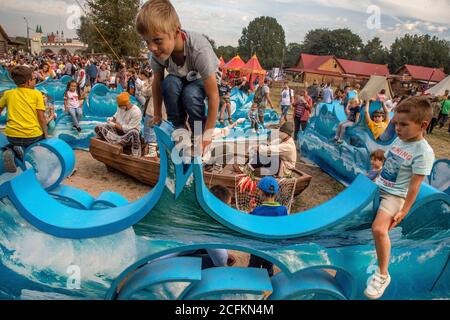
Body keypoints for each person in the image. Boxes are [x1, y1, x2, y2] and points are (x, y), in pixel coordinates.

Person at [364, 96, 435, 300]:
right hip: (379, 187)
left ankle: (383, 274)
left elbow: (415, 185)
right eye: (396, 123)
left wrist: (404, 210)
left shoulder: (424, 152)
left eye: (403, 125)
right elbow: (389, 166)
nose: (397, 128)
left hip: (394, 196)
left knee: (378, 229)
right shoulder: (400, 139)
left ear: (423, 125)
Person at [136, 0, 220, 152]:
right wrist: (156, 115)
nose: (152, 48)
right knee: (169, 84)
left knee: (190, 93)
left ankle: (198, 132)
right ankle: (180, 128)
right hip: (181, 77)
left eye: (157, 40)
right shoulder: (157, 53)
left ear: (176, 32)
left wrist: (207, 134)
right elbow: (157, 83)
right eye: (146, 41)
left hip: (202, 79)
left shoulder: (199, 50)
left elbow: (214, 95)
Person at [0, 66, 48, 173]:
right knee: (37, 146)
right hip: (32, 136)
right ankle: (28, 160)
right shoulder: (37, 94)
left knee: (14, 143)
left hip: (12, 135)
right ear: (28, 82)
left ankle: (10, 150)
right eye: (34, 79)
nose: (35, 81)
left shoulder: (8, 94)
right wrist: (45, 133)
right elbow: (41, 118)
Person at [247, 177, 288, 276]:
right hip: (273, 247)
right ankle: (268, 284)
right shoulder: (283, 210)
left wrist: (251, 210)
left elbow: (250, 225)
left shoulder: (258, 211)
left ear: (261, 192)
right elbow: (285, 227)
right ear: (276, 193)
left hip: (257, 247)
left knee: (253, 267)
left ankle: (252, 285)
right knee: (268, 267)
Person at [95, 92, 143, 157]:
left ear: (126, 104)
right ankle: (117, 141)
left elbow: (128, 128)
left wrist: (114, 125)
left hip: (128, 133)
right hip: (118, 131)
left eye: (120, 106)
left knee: (134, 133)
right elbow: (116, 115)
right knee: (98, 128)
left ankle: (134, 153)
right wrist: (111, 119)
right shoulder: (120, 107)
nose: (119, 107)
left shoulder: (136, 112)